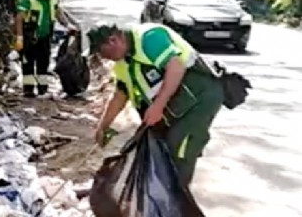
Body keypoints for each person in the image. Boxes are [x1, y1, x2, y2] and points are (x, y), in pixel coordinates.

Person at [88, 23, 224, 186]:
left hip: (201, 96)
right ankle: (159, 193)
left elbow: (176, 67)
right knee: (154, 148)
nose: (103, 58)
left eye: (102, 52)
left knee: (180, 145)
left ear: (113, 40)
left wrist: (158, 106)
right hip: (176, 104)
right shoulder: (122, 64)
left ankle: (177, 201)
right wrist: (103, 126)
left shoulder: (149, 38)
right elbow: (119, 95)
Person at [15, 0, 76, 98]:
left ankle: (43, 89)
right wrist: (19, 37)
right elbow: (19, 18)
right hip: (29, 35)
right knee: (28, 63)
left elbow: (58, 12)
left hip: (45, 36)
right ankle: (28, 90)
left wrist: (67, 25)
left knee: (43, 63)